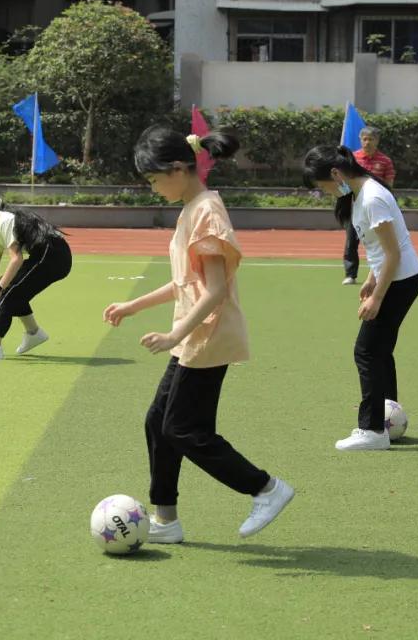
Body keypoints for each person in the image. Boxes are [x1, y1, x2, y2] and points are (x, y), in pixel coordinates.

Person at [103, 126, 294, 543]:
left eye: (154, 179)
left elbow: (216, 290)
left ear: (178, 168)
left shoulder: (206, 211)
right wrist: (133, 306)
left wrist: (174, 336)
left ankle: (265, 488)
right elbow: (183, 282)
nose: (153, 188)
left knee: (184, 429)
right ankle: (165, 520)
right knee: (159, 422)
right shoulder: (192, 208)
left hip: (207, 336)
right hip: (194, 334)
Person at [303, 145, 418, 451]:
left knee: (366, 352)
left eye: (323, 186)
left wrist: (378, 297)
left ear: (335, 174)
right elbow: (380, 249)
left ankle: (372, 430)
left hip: (400, 280)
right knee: (379, 350)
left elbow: (394, 252)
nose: (326, 192)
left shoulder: (373, 197)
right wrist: (371, 278)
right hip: (396, 278)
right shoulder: (359, 195)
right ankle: (389, 421)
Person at [0, 188, 71, 360]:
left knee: (8, 291)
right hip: (48, 255)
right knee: (11, 286)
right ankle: (34, 333)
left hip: (54, 256)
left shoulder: (5, 220)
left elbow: (16, 259)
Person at [342, 127, 396, 285]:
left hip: (377, 208)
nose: (367, 142)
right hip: (355, 206)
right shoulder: (353, 158)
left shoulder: (385, 161)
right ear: (360, 140)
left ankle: (383, 273)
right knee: (352, 241)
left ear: (377, 141)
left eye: (370, 139)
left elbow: (389, 185)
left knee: (381, 241)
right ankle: (350, 274)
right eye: (364, 139)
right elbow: (346, 181)